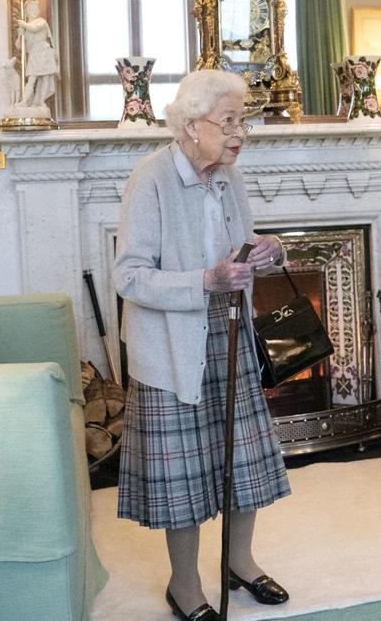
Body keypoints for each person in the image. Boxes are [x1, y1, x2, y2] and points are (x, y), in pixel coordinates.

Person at [114, 69, 291, 621]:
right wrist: (204, 283)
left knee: (244, 461)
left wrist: (270, 250)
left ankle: (241, 562)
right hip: (171, 346)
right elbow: (129, 277)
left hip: (231, 334)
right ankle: (185, 585)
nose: (241, 132)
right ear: (192, 126)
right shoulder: (151, 179)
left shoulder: (228, 177)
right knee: (183, 476)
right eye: (230, 120)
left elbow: (238, 251)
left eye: (245, 120)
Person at [16, 0, 59, 107]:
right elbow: (19, 46)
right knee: (31, 78)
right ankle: (24, 101)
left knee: (45, 78)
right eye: (31, 9)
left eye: (35, 9)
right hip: (34, 53)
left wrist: (24, 25)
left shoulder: (41, 21)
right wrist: (20, 35)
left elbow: (34, 29)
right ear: (27, 11)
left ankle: (41, 101)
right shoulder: (25, 26)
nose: (34, 11)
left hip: (44, 51)